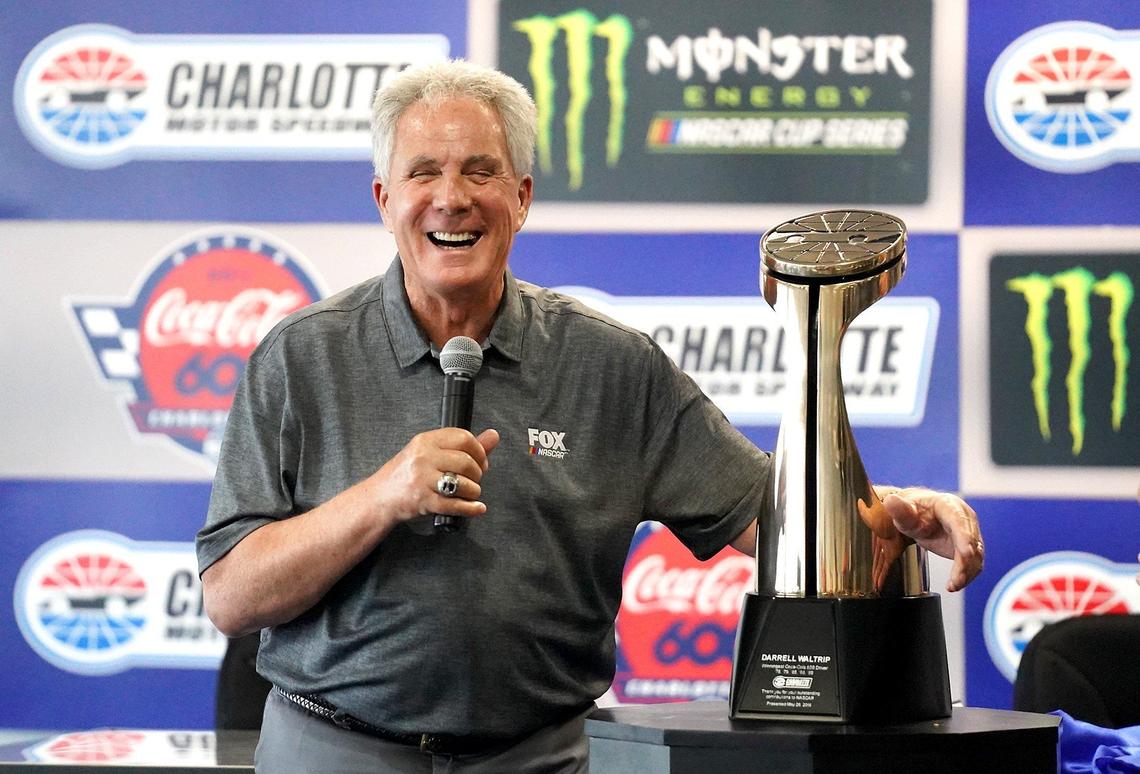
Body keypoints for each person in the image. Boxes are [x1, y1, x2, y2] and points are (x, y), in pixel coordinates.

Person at [196, 59, 984, 773]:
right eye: (423, 172)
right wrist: (381, 496)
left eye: (481, 171)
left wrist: (899, 516)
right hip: (334, 750)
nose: (452, 197)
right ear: (384, 199)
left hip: (542, 759)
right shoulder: (300, 357)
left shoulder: (612, 365)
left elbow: (775, 523)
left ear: (522, 197)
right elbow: (231, 597)